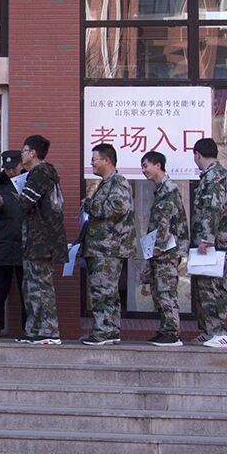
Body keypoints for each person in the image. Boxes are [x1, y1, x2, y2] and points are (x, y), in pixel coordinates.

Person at [79, 143, 135, 345]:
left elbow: (117, 208)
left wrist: (89, 204)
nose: (92, 163)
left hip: (108, 248)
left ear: (107, 160)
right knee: (106, 291)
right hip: (102, 247)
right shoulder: (105, 184)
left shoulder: (118, 182)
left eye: (94, 159)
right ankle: (110, 330)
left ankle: (103, 331)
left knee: (102, 291)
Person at [15, 135, 68, 344]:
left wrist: (15, 195)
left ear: (33, 153)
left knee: (41, 286)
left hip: (41, 241)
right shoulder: (44, 174)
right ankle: (34, 329)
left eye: (23, 150)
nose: (21, 154)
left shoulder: (39, 174)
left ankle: (49, 330)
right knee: (31, 287)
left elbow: (25, 203)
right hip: (37, 240)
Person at [190, 137, 227, 348]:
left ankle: (222, 332)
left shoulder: (214, 176)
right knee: (205, 286)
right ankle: (210, 330)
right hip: (214, 242)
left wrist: (207, 239)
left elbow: (212, 208)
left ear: (198, 154)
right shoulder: (218, 175)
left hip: (215, 243)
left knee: (213, 287)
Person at [140, 150, 189, 346]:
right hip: (160, 251)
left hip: (167, 252)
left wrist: (159, 247)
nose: (144, 170)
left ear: (158, 165)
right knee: (158, 291)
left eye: (146, 166)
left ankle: (173, 332)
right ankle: (165, 329)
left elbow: (165, 221)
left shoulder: (169, 189)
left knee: (166, 290)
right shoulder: (160, 190)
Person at [0, 150, 25, 338]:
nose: (10, 172)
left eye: (13, 168)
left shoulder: (29, 181)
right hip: (2, 242)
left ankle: (28, 328)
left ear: (21, 165)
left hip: (24, 243)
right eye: (7, 168)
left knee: (26, 291)